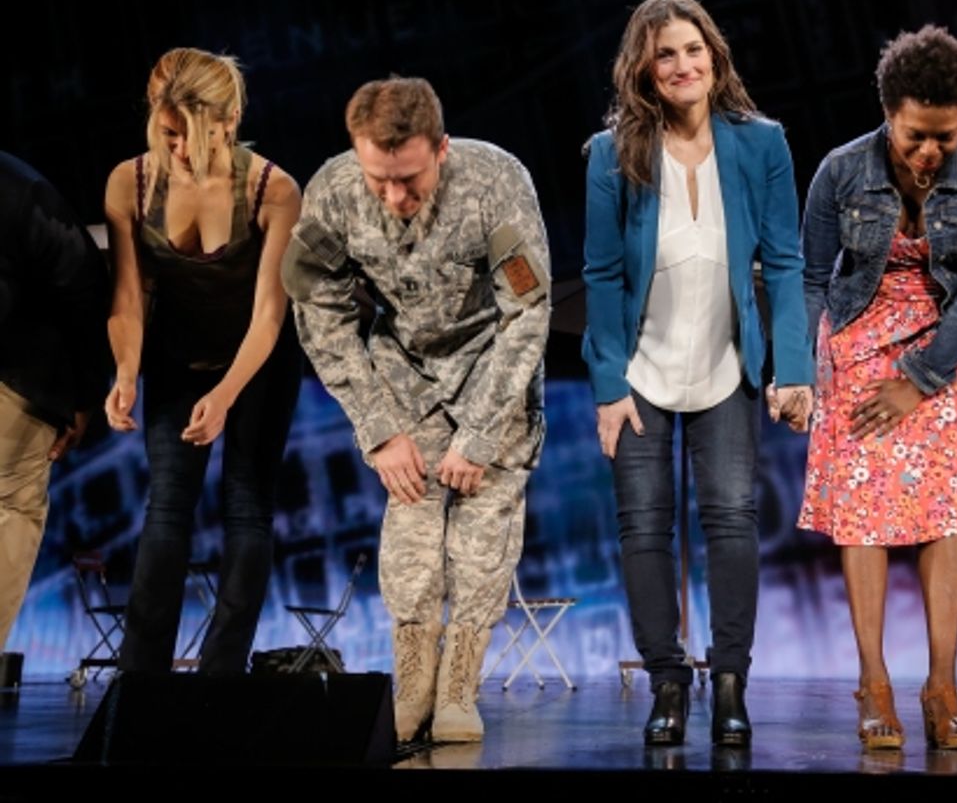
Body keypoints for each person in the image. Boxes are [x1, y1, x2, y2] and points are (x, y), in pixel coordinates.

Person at [282, 76, 549, 744]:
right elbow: (319, 310)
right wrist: (378, 430)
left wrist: (482, 434)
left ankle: (458, 689)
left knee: (482, 543)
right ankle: (412, 686)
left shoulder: (495, 183)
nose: (394, 197)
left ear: (441, 148)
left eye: (409, 178)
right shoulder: (335, 191)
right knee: (411, 544)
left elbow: (526, 313)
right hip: (405, 377)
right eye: (380, 179)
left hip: (494, 373)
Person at [582, 0, 813, 748]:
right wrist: (610, 386)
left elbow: (783, 263)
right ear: (644, 71)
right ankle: (668, 682)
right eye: (665, 54)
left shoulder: (761, 142)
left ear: (713, 56)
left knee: (732, 520)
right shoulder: (611, 154)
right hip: (642, 369)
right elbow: (603, 276)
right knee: (645, 527)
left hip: (726, 363)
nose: (682, 65)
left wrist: (793, 369)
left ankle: (730, 681)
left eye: (692, 49)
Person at [797, 25, 957, 751]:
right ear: (889, 112)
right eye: (917, 135)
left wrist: (923, 378)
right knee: (865, 514)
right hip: (857, 336)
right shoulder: (840, 170)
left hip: (943, 343)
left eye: (944, 137)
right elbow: (809, 276)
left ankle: (942, 684)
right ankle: (874, 681)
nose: (929, 152)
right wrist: (798, 370)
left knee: (945, 511)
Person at [105, 48, 303, 675]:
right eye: (169, 135)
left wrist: (224, 397)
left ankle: (221, 674)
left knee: (247, 506)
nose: (182, 152)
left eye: (196, 136)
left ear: (231, 118)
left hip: (257, 362)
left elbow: (271, 314)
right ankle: (140, 680)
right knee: (167, 505)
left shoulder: (272, 189)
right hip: (174, 357)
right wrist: (127, 372)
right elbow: (129, 294)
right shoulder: (130, 182)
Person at [1, 151, 111, 657]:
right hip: (22, 378)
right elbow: (83, 283)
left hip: (19, 378)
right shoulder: (18, 185)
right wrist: (84, 393)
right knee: (9, 511)